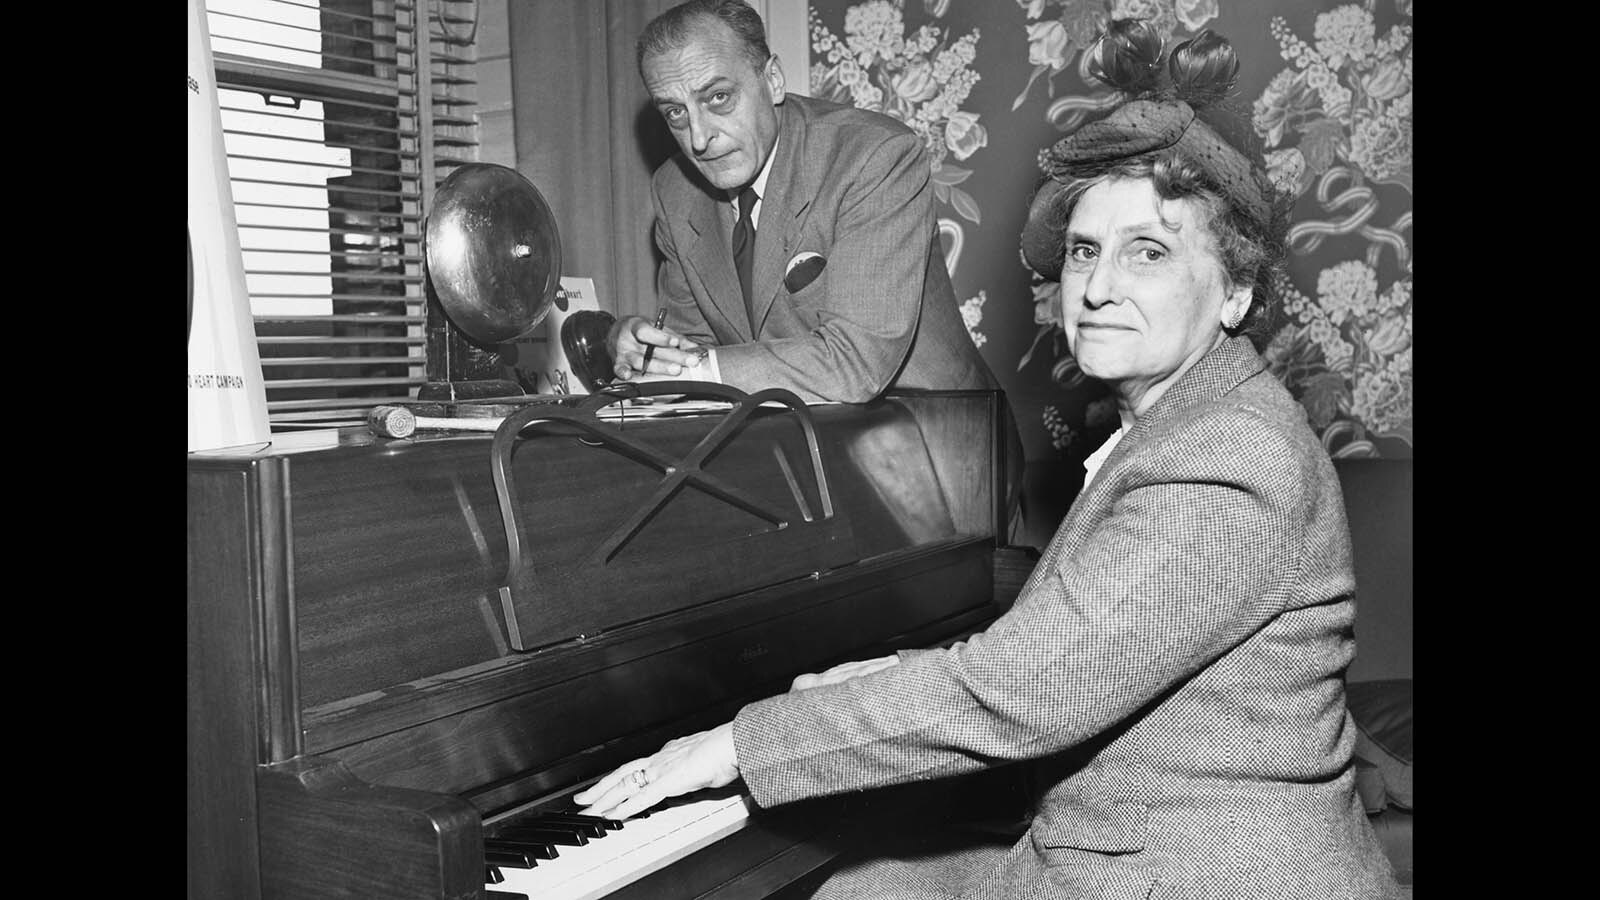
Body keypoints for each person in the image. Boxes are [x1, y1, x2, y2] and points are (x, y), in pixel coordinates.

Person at [575, 17, 1403, 899]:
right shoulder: (1184, 422)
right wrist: (892, 671)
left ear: (1236, 290)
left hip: (1191, 871)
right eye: (1085, 250)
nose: (1099, 286)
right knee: (858, 888)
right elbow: (1074, 638)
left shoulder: (1226, 459)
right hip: (1115, 843)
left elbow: (1029, 688)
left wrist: (737, 742)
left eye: (1148, 253)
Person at [606, 0, 998, 404]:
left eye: (719, 97)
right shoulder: (676, 190)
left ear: (773, 79)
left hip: (934, 432)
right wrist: (647, 353)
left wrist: (698, 369)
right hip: (787, 441)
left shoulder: (873, 156)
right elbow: (690, 348)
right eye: (675, 112)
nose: (700, 138)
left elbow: (857, 362)